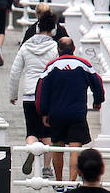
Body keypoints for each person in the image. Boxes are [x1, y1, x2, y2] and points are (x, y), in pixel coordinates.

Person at [34, 37, 105, 181]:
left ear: (58, 50)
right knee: (75, 148)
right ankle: (71, 183)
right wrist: (98, 101)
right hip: (77, 113)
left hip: (56, 114)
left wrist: (43, 112)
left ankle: (59, 182)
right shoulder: (83, 64)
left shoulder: (51, 66)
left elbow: (42, 90)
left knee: (58, 148)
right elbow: (97, 83)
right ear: (73, 48)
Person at [9, 12, 61, 178]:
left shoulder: (25, 47)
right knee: (48, 134)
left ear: (37, 27)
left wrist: (13, 94)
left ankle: (32, 148)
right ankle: (46, 168)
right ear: (53, 30)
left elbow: (15, 72)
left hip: (30, 95)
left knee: (31, 131)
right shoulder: (54, 48)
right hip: (48, 96)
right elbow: (58, 72)